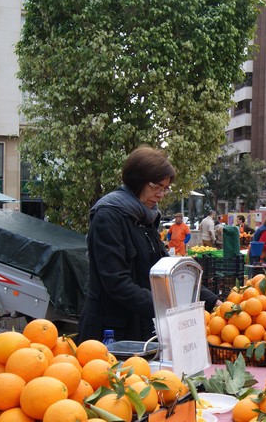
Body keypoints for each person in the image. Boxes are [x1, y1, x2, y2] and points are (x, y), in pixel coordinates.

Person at [79, 146, 216, 342]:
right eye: (156, 187)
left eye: (165, 188)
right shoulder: (108, 216)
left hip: (141, 326)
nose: (161, 194)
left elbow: (166, 269)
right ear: (137, 181)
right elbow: (117, 283)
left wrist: (212, 301)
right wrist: (172, 306)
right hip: (110, 332)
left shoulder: (145, 218)